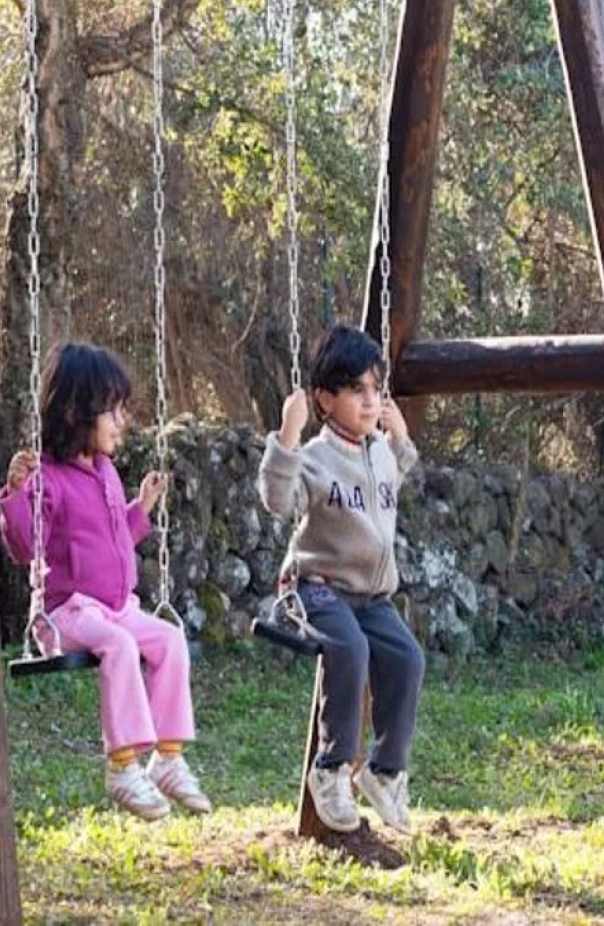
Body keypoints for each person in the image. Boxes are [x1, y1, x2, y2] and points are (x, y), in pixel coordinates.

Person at [0, 342, 211, 821]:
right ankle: (122, 765)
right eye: (112, 411)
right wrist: (15, 494)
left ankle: (168, 757)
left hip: (116, 607)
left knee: (169, 639)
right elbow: (23, 545)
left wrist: (141, 509)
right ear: (75, 412)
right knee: (117, 646)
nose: (122, 421)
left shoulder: (107, 473)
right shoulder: (46, 479)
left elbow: (111, 543)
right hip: (66, 612)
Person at [258, 325, 423, 836]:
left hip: (371, 596)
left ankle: (384, 772)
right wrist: (287, 435)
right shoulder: (313, 459)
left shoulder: (377, 450)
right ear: (325, 399)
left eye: (376, 389)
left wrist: (400, 437)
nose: (370, 400)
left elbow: (401, 470)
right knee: (349, 650)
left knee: (407, 658)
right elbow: (277, 499)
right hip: (316, 587)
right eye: (357, 390)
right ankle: (331, 769)